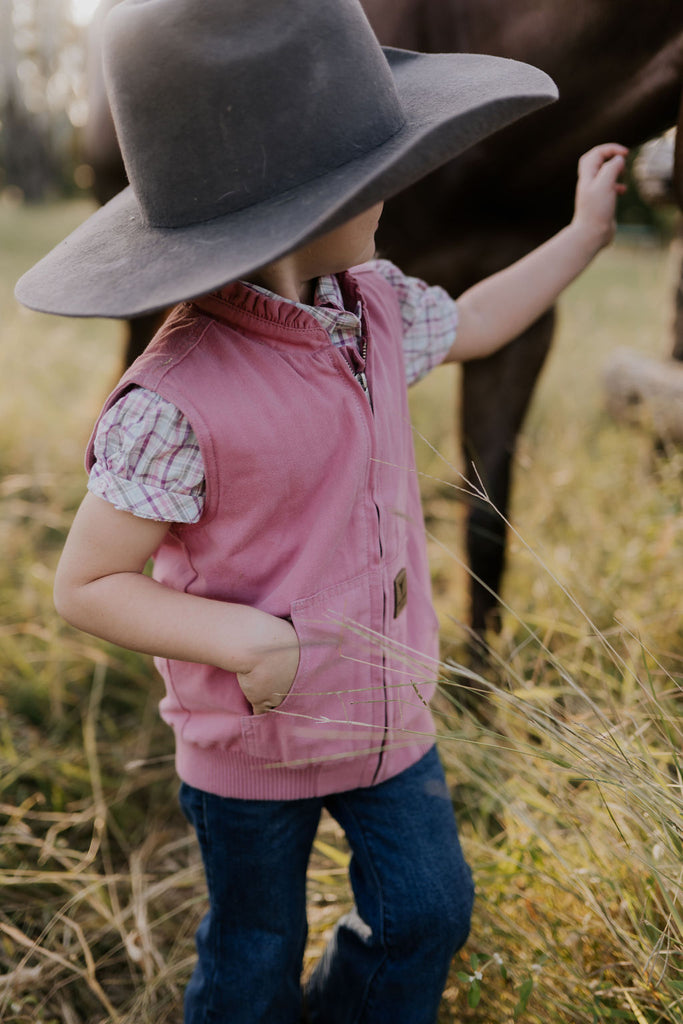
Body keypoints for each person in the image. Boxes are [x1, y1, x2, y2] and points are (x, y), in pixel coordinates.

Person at [15, 1, 626, 1021]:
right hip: (247, 740)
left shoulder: (372, 307)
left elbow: (473, 322)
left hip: (387, 715)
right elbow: (87, 582)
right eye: (377, 175)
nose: (396, 189)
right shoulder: (175, 397)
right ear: (303, 207)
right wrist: (237, 635)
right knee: (252, 950)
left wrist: (581, 235)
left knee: (427, 911)